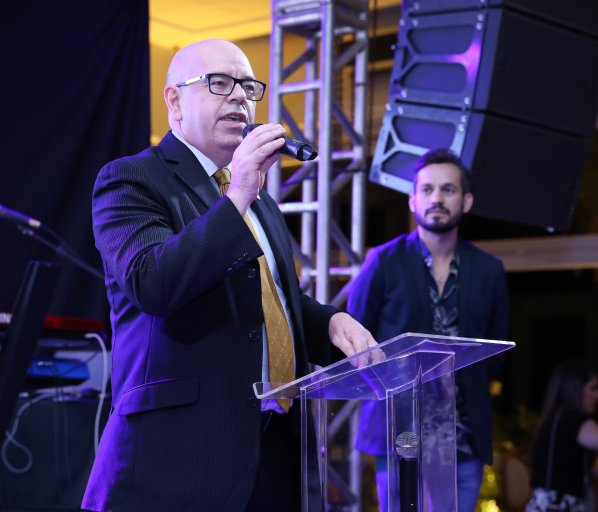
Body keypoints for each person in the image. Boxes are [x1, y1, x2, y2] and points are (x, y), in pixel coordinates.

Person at [81, 38, 377, 512]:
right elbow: (153, 283)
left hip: (274, 450)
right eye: (219, 83)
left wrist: (327, 322)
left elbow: (270, 298)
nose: (240, 95)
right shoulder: (132, 179)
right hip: (176, 457)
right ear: (175, 101)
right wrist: (237, 194)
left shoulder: (259, 200)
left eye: (248, 86)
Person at [347, 148, 509, 512]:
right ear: (413, 200)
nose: (437, 198)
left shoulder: (489, 270)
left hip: (464, 436)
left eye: (448, 189)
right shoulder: (382, 261)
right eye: (427, 189)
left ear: (466, 201)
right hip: (399, 431)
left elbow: (495, 354)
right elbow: (356, 341)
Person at [526, 360, 598, 512]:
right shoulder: (571, 419)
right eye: (593, 388)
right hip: (556, 507)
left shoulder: (557, 419)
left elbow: (592, 468)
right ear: (575, 389)